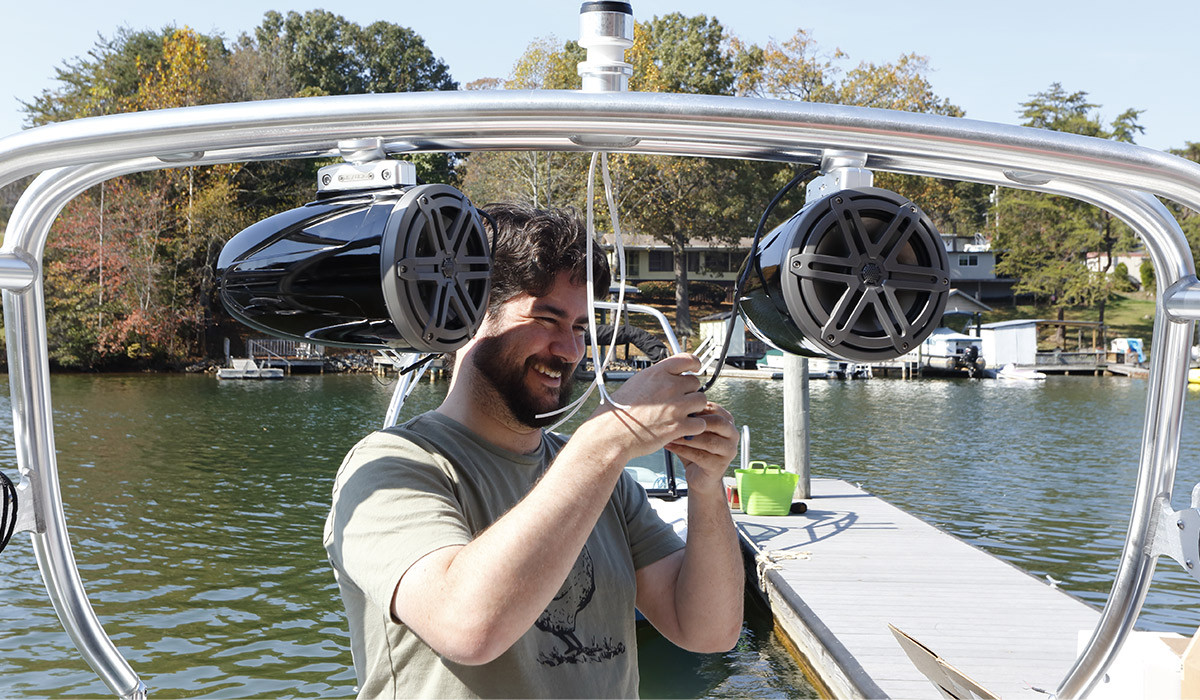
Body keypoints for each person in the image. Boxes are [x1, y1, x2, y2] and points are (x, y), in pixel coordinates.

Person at [324, 203, 744, 698]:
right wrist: (607, 439)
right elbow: (468, 627)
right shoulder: (390, 466)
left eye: (582, 328)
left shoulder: (606, 482)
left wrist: (705, 481)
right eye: (547, 318)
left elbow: (709, 631)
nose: (569, 350)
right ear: (469, 315)